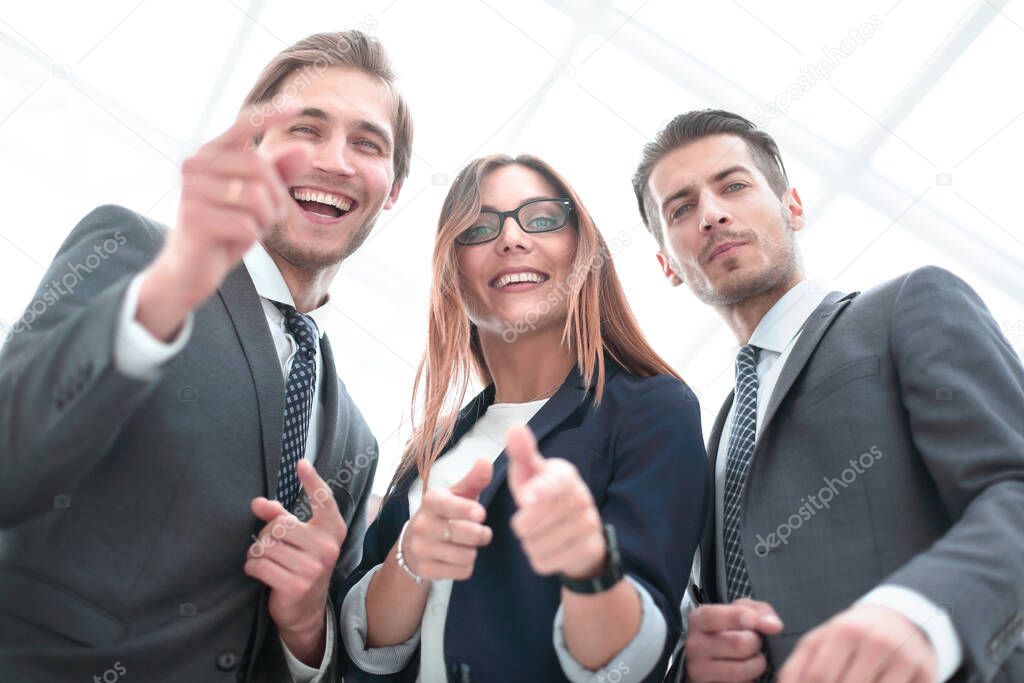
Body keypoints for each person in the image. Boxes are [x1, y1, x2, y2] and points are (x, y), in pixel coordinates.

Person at [0, 30, 412, 681]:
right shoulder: (139, 255)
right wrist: (159, 300)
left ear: (391, 190)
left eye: (367, 143)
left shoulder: (353, 439)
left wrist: (306, 628)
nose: (336, 160)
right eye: (308, 128)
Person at [631, 109, 1024, 683]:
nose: (712, 214)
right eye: (682, 208)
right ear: (668, 264)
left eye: (734, 185)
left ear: (792, 206)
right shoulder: (708, 442)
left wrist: (923, 613)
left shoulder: (906, 308)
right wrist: (695, 665)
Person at [339, 154, 708, 681]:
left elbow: (636, 659)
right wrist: (409, 560)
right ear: (453, 275)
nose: (510, 238)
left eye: (540, 219)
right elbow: (367, 650)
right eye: (479, 227)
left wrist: (589, 567)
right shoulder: (434, 444)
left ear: (582, 252)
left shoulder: (653, 409)